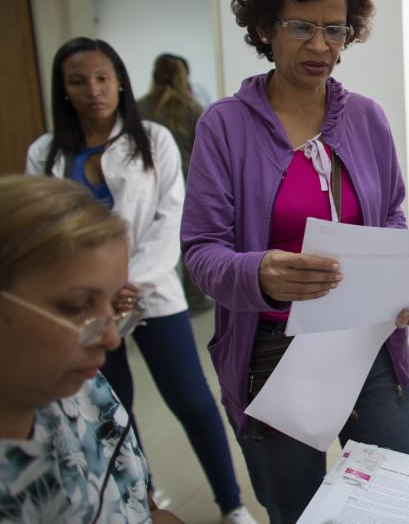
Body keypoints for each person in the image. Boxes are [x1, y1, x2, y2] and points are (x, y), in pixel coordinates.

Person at [180, 0, 409, 524]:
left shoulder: (367, 118)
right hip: (273, 352)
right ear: (263, 29)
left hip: (369, 343)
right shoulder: (224, 126)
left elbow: (392, 215)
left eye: (335, 29)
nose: (321, 47)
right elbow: (200, 252)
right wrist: (259, 273)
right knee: (297, 510)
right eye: (301, 27)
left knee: (394, 502)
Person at [26, 38, 256, 524]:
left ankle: (231, 504)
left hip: (150, 296)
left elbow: (173, 218)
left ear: (121, 82)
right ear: (63, 90)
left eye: (103, 78)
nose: (93, 90)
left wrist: (127, 283)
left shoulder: (153, 139)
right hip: (82, 308)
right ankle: (142, 505)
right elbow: (42, 232)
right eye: (78, 81)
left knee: (193, 402)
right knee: (113, 412)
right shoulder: (45, 153)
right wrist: (97, 295)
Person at [0, 174, 183, 523]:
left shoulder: (83, 389)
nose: (113, 339)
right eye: (75, 306)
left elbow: (135, 497)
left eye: (114, 305)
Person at [138, 52, 210, 314]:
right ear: (184, 77)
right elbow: (206, 151)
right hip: (189, 183)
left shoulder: (137, 108)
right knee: (189, 240)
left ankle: (151, 293)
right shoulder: (191, 109)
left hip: (150, 187)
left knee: (155, 241)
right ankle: (195, 298)